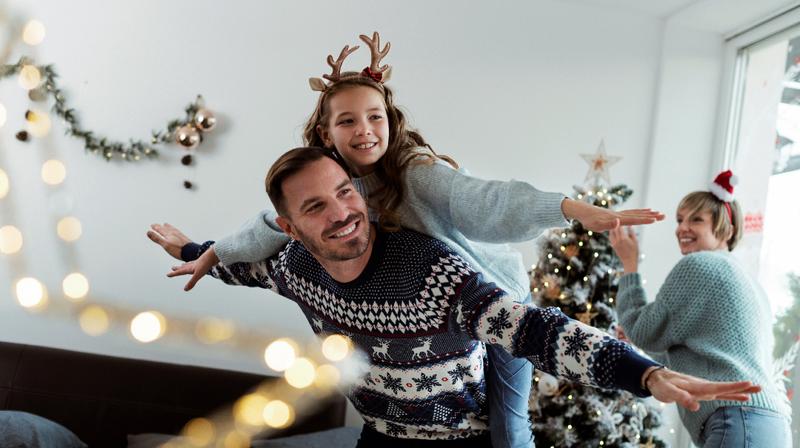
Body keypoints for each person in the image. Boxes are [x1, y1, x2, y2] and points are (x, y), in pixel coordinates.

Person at [148, 32, 665, 448]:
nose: (365, 131)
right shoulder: (313, 203)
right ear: (325, 133)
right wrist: (202, 252)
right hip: (397, 385)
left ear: (391, 122)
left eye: (375, 117)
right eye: (347, 120)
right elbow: (263, 232)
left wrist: (568, 210)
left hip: (486, 299)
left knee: (509, 431)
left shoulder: (416, 173)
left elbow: (483, 202)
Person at [154, 148, 760, 447]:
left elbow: (537, 331)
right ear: (288, 228)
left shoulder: (432, 271)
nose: (342, 213)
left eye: (345, 192)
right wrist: (191, 253)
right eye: (315, 206)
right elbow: (240, 269)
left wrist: (646, 376)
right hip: (381, 436)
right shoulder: (292, 268)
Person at [609, 170, 792, 448]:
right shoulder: (747, 281)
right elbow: (704, 355)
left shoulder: (699, 265)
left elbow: (643, 330)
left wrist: (629, 265)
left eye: (697, 219)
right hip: (770, 425)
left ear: (726, 230)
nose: (683, 228)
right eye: (680, 219)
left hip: (738, 420)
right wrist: (639, 340)